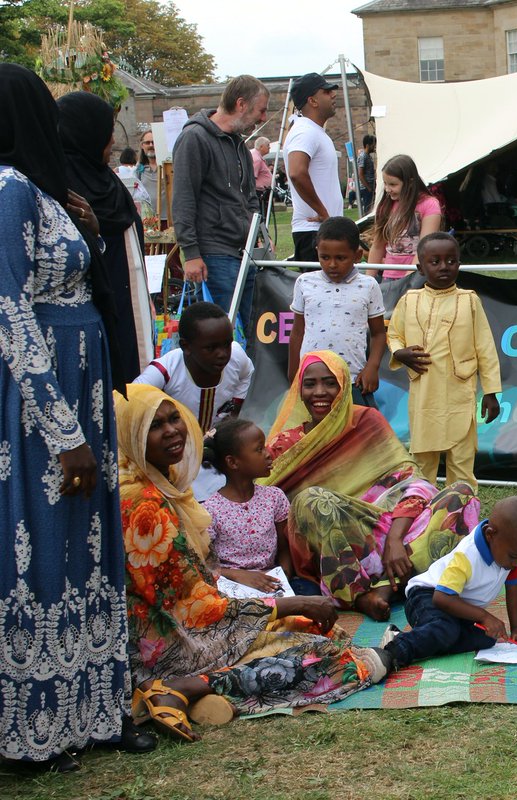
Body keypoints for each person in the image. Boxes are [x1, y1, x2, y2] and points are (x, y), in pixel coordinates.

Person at [0, 62, 140, 773]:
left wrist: (87, 227)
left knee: (86, 545)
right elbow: (10, 309)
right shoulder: (7, 189)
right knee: (47, 547)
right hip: (46, 404)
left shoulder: (43, 190)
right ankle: (39, 724)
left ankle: (92, 708)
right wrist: (63, 433)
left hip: (82, 385)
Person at [116, 385, 386, 742]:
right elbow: (195, 609)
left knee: (312, 630)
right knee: (327, 657)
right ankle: (185, 687)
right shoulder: (143, 505)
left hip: (198, 628)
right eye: (154, 425)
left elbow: (199, 586)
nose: (171, 431)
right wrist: (290, 603)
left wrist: (284, 605)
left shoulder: (164, 488)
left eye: (174, 419)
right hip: (174, 645)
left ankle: (197, 695)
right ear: (131, 436)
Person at [265, 351, 480, 620]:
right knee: (311, 501)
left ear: (344, 387)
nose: (319, 392)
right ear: (299, 390)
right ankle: (360, 593)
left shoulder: (367, 421)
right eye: (310, 384)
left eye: (330, 383)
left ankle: (386, 587)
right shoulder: (286, 445)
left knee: (463, 494)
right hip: (339, 544)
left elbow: (412, 481)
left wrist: (395, 539)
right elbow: (261, 493)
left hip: (390, 528)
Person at [388, 232, 501, 490]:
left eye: (451, 261)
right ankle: (420, 507)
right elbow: (394, 334)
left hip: (459, 394)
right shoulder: (409, 301)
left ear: (459, 264)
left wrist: (491, 392)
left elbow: (485, 347)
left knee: (462, 460)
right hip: (424, 396)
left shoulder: (469, 300)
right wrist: (399, 353)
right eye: (435, 261)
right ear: (420, 268)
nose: (444, 267)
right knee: (423, 460)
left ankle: (460, 509)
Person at [58, 90, 156, 376]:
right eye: (107, 132)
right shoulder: (61, 186)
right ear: (86, 133)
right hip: (93, 311)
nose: (112, 141)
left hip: (129, 302)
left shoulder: (106, 183)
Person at [382, 496, 517, 669]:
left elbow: (515, 586)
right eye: (514, 556)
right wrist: (484, 616)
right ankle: (394, 651)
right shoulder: (467, 556)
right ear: (490, 534)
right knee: (446, 630)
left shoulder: (508, 552)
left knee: (487, 638)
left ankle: (413, 637)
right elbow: (441, 598)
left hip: (458, 607)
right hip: (426, 596)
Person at [173, 75, 268, 329]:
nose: (263, 118)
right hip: (214, 254)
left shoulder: (239, 145)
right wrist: (191, 253)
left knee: (251, 331)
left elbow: (249, 196)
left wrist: (256, 232)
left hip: (243, 253)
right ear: (241, 104)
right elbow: (183, 198)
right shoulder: (194, 138)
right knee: (221, 333)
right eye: (261, 110)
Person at [288, 216, 385, 406]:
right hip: (312, 379)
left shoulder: (369, 285)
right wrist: (294, 373)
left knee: (359, 424)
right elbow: (297, 332)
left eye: (340, 258)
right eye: (325, 257)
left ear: (357, 255)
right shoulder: (304, 282)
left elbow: (379, 333)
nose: (332, 264)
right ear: (317, 252)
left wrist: (372, 367)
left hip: (353, 379)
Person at [201, 418, 293, 593]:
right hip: (232, 587)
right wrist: (238, 575)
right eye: (259, 449)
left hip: (273, 582)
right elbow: (205, 566)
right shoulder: (210, 511)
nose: (268, 454)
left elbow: (284, 549)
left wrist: (284, 576)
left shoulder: (274, 497)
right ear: (233, 462)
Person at [134, 301, 254, 432]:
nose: (222, 354)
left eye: (227, 344)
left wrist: (234, 411)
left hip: (217, 438)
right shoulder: (164, 371)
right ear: (186, 346)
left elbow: (247, 373)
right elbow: (130, 402)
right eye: (211, 348)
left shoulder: (236, 356)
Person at [285, 72, 342, 263]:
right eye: (326, 91)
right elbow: (296, 172)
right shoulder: (305, 131)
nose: (333, 94)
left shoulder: (312, 130)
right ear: (312, 101)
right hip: (313, 232)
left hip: (322, 231)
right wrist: (324, 213)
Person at [366, 154, 443, 279]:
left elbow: (425, 247)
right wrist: (368, 281)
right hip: (390, 276)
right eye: (385, 184)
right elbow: (377, 246)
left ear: (410, 182)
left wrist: (408, 280)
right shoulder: (385, 206)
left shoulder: (429, 204)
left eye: (393, 184)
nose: (387, 189)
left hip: (418, 276)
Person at [137, 128, 159, 217]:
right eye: (147, 142)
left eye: (154, 142)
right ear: (142, 145)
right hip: (148, 219)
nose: (151, 145)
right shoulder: (138, 169)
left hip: (169, 218)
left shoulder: (169, 168)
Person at [250, 136, 272, 220]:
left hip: (260, 192)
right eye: (268, 145)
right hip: (258, 193)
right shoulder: (257, 159)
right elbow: (252, 177)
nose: (269, 147)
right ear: (261, 146)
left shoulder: (257, 156)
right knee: (261, 216)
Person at [357, 133, 377, 211]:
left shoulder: (368, 156)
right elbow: (360, 174)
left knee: (372, 208)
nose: (374, 147)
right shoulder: (363, 156)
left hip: (371, 187)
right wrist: (368, 188)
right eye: (373, 145)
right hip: (366, 189)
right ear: (368, 145)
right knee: (368, 209)